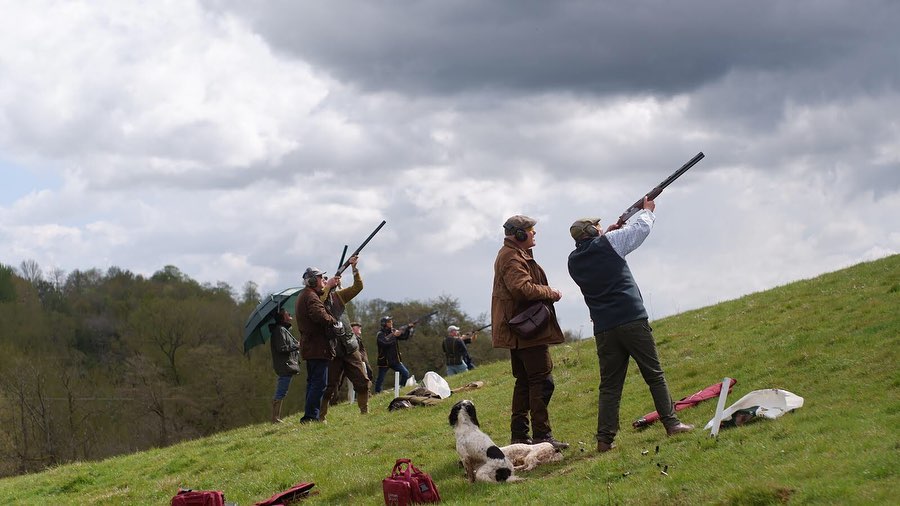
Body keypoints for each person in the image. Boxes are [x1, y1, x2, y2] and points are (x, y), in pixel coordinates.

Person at [566, 197, 694, 453]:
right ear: (593, 232)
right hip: (631, 319)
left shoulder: (573, 260)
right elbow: (639, 231)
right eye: (597, 227)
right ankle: (671, 424)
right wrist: (647, 212)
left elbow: (601, 248)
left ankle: (605, 440)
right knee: (654, 374)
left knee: (610, 386)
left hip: (603, 328)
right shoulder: (610, 242)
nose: (601, 228)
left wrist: (609, 234)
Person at [491, 214, 568, 449]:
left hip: (521, 329)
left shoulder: (512, 253)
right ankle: (542, 436)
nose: (535, 234)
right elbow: (521, 288)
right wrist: (550, 292)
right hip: (526, 331)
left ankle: (520, 436)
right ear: (520, 234)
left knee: (525, 382)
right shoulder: (513, 257)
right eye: (531, 230)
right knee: (542, 382)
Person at [319, 256, 371, 420]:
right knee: (329, 387)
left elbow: (358, 287)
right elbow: (320, 302)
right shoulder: (314, 299)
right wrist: (328, 286)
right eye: (323, 280)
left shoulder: (339, 296)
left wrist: (354, 268)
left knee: (362, 382)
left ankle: (364, 412)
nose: (326, 281)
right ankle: (322, 416)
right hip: (332, 348)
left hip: (349, 344)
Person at [294, 266, 339, 423]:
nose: (324, 281)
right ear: (313, 280)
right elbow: (320, 315)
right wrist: (334, 321)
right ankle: (311, 417)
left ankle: (310, 415)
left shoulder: (307, 295)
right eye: (321, 278)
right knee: (319, 384)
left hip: (313, 345)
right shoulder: (311, 297)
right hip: (318, 346)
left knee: (313, 382)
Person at [268, 308, 300, 423]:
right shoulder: (279, 330)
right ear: (282, 317)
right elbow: (282, 348)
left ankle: (276, 418)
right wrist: (297, 346)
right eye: (287, 313)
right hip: (284, 366)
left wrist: (295, 345)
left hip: (286, 365)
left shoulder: (282, 330)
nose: (289, 313)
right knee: (281, 391)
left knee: (283, 390)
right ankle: (275, 418)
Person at [374, 316, 415, 393]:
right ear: (384, 324)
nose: (391, 323)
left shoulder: (393, 331)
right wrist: (393, 336)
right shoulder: (380, 334)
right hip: (384, 360)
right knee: (380, 379)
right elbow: (385, 343)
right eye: (389, 322)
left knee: (405, 373)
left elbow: (404, 337)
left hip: (394, 360)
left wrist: (408, 329)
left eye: (391, 321)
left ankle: (400, 388)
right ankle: (377, 392)